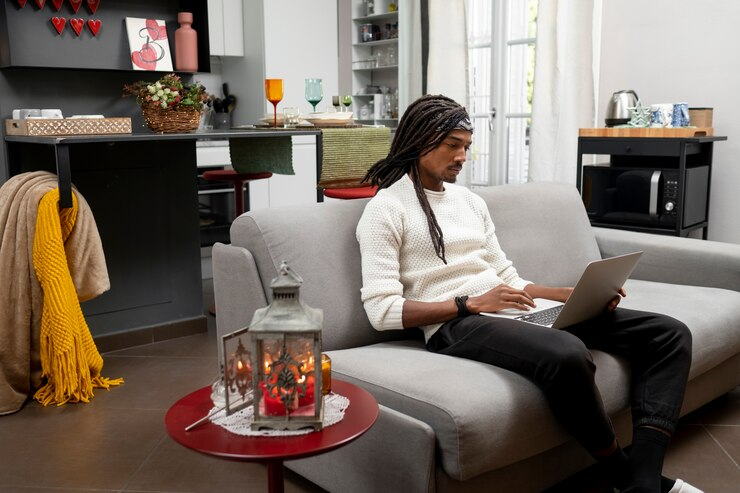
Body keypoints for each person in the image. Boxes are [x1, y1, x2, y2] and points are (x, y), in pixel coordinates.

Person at [355, 94, 699, 493]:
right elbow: (381, 311)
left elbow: (507, 277)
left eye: (467, 146)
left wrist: (567, 294)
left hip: (509, 309)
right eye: (452, 144)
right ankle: (625, 475)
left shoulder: (470, 202)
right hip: (456, 323)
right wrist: (470, 304)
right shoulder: (386, 209)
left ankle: (642, 479)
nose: (462, 156)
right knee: (567, 353)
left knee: (670, 334)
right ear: (419, 140)